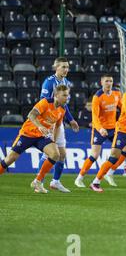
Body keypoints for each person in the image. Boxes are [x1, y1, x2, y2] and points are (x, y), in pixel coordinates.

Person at [0, 85, 70, 194]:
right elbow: (31, 115)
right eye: (64, 95)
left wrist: (54, 141)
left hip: (41, 137)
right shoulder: (45, 102)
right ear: (56, 95)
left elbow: (57, 126)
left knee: (55, 154)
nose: (67, 97)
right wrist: (40, 126)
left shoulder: (62, 109)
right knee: (10, 159)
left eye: (68, 95)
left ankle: (38, 181)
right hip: (27, 134)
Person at [75, 75, 126, 189]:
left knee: (125, 150)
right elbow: (94, 116)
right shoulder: (97, 97)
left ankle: (110, 173)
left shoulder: (116, 93)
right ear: (101, 82)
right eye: (106, 81)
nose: (109, 83)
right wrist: (100, 129)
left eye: (110, 81)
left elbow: (123, 108)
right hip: (100, 129)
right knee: (94, 155)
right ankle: (79, 178)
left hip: (113, 128)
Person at [38, 57, 79, 193]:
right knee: (48, 154)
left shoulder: (65, 82)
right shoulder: (49, 83)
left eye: (67, 67)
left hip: (59, 122)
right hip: (48, 122)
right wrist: (46, 123)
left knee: (62, 154)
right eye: (63, 67)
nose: (66, 69)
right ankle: (39, 182)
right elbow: (42, 103)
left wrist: (71, 119)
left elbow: (63, 105)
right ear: (56, 67)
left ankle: (55, 182)